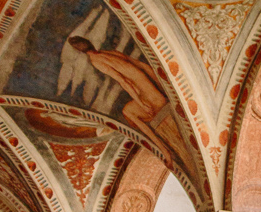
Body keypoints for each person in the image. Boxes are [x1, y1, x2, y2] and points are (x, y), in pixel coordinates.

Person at [64, 36, 187, 170]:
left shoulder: (96, 60)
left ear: (79, 50)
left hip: (153, 100)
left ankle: (164, 151)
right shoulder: (108, 52)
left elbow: (124, 81)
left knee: (128, 112)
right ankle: (164, 150)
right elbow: (143, 66)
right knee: (129, 111)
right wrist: (163, 87)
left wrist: (141, 103)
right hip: (156, 94)